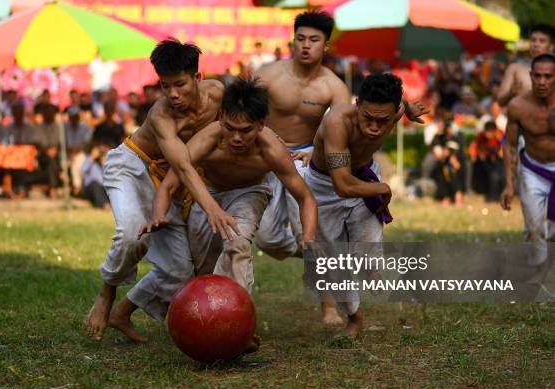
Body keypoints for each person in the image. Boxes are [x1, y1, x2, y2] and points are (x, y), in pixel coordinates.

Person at [253, 10, 426, 325]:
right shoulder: (268, 76)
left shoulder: (338, 90)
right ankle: (320, 259)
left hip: (323, 164)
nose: (306, 46)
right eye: (301, 38)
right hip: (288, 162)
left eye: (314, 40)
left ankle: (337, 307)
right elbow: (244, 108)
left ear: (326, 46)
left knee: (348, 252)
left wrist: (409, 108)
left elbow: (388, 108)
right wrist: (383, 189)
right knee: (272, 239)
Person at [85, 39, 238, 342]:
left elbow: (236, 129)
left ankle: (122, 313)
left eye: (179, 84)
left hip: (171, 182)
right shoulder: (161, 115)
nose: (172, 94)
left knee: (179, 271)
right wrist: (212, 208)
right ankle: (106, 294)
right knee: (132, 234)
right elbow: (182, 166)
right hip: (133, 167)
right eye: (164, 86)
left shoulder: (218, 93)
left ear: (197, 78)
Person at [141, 77, 317, 311]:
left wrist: (309, 236)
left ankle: (239, 318)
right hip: (208, 194)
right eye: (230, 128)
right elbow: (171, 183)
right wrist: (158, 214)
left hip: (250, 192)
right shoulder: (207, 139)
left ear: (261, 124)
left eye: (245, 131)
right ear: (221, 117)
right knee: (201, 269)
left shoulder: (271, 149)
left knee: (237, 244)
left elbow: (305, 197)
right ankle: (205, 320)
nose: (236, 138)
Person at [306, 73, 428, 337]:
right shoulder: (337, 121)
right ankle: (354, 317)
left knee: (368, 246)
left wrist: (409, 109)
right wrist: (382, 188)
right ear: (357, 103)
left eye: (382, 121)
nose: (374, 126)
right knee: (334, 261)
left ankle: (371, 268)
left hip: (363, 173)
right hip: (327, 186)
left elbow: (401, 105)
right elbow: (343, 186)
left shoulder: (393, 111)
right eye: (367, 117)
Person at [501, 53, 555, 266]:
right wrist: (508, 184)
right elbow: (510, 145)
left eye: (548, 77)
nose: (542, 82)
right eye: (538, 76)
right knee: (533, 229)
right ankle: (538, 272)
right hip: (533, 169)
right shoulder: (518, 106)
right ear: (531, 76)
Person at [497, 24, 553, 107]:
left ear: (551, 46)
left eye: (542, 41)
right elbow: (500, 102)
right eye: (533, 40)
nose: (536, 44)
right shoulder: (515, 68)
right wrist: (511, 93)